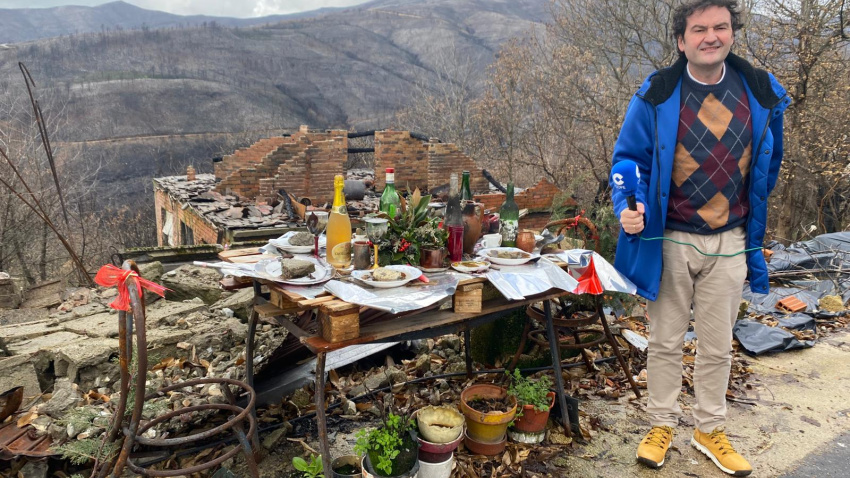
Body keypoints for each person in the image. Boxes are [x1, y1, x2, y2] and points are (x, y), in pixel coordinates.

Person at [610, 0, 790, 476]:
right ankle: (661, 424)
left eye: (721, 27)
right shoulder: (658, 93)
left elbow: (770, 164)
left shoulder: (760, 90)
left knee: (717, 343)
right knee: (666, 341)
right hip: (669, 238)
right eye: (700, 29)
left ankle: (710, 429)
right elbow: (628, 163)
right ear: (681, 40)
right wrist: (630, 209)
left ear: (732, 33)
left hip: (731, 238)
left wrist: (746, 210)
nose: (711, 36)